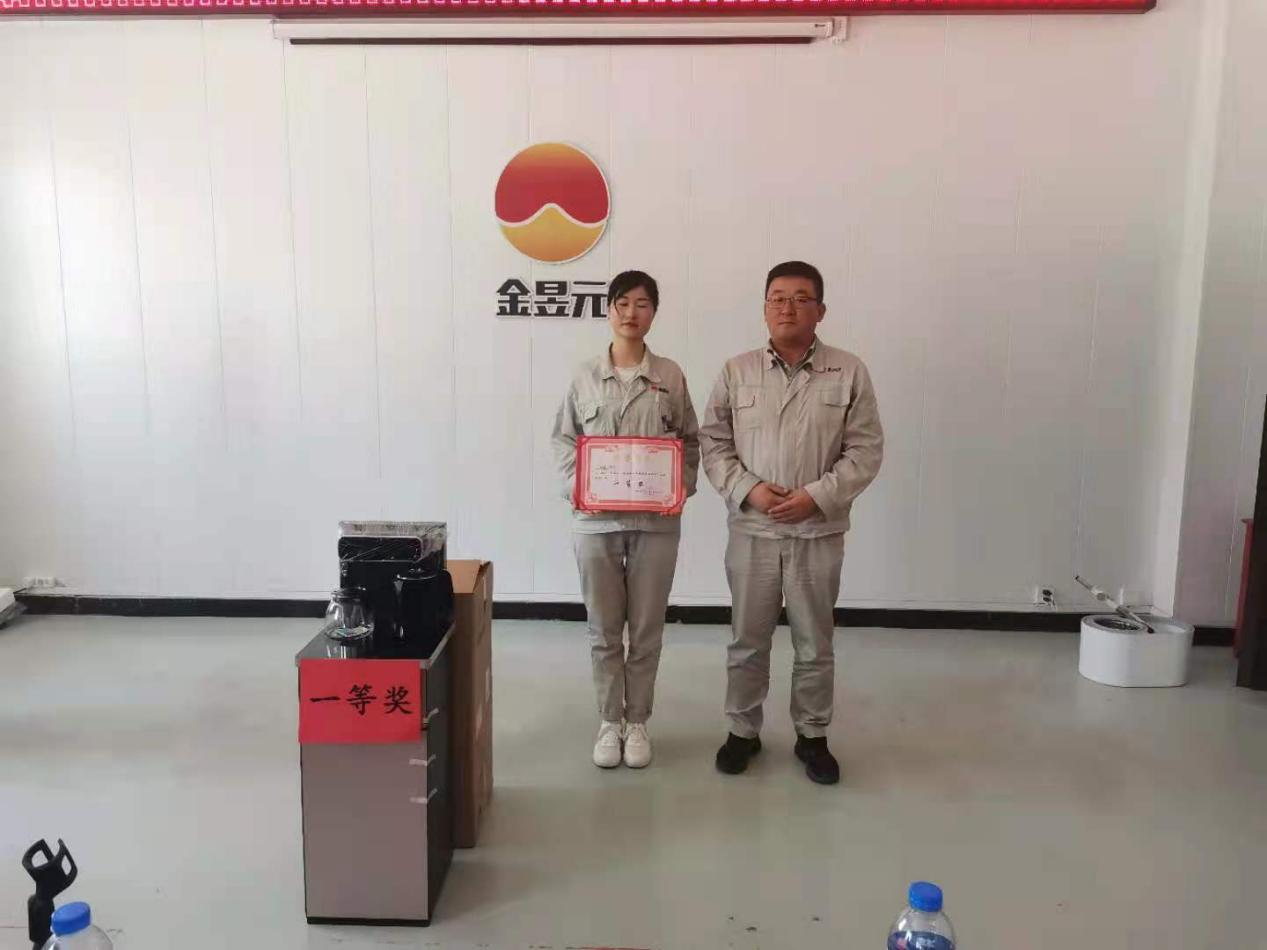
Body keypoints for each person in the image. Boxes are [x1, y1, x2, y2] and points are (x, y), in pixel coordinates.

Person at [699, 261, 883, 785]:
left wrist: (816, 497)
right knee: (747, 639)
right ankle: (742, 731)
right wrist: (749, 489)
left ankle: (813, 735)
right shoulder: (736, 371)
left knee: (814, 642)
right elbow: (713, 442)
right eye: (777, 297)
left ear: (820, 310)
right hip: (752, 532)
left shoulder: (848, 371)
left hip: (816, 533)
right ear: (764, 308)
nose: (788, 307)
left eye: (801, 298)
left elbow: (865, 449)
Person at [552, 270, 700, 769]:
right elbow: (564, 440)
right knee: (602, 629)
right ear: (608, 309)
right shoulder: (584, 376)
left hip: (655, 526)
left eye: (641, 303)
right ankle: (608, 721)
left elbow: (690, 441)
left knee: (647, 629)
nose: (631, 312)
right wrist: (577, 488)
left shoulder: (670, 376)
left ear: (654, 312)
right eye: (621, 303)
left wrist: (680, 487)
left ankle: (637, 721)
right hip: (596, 524)